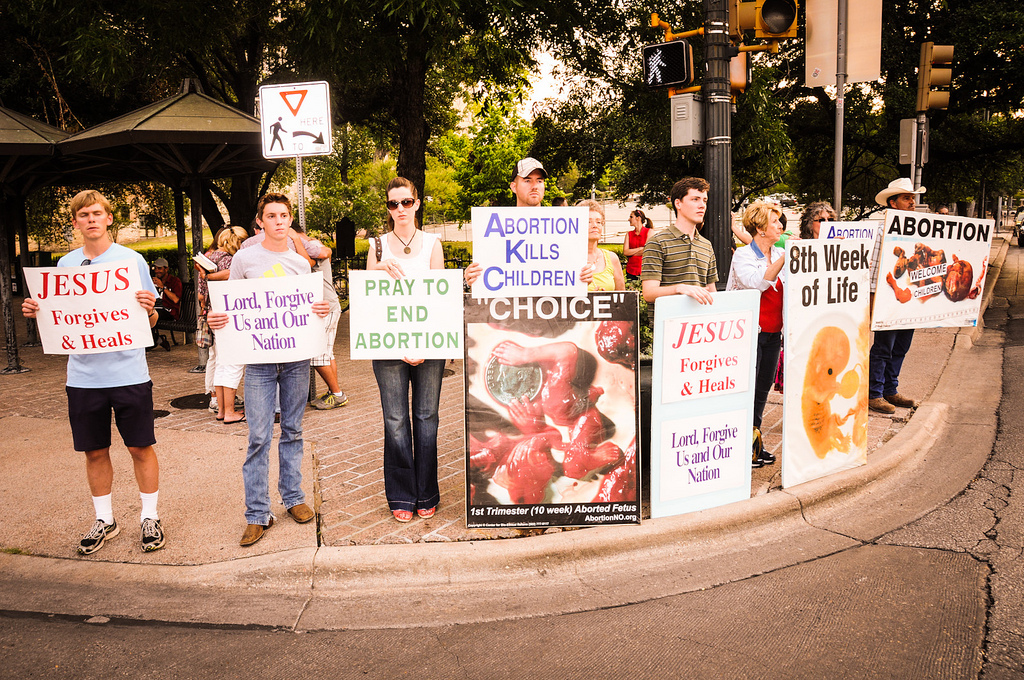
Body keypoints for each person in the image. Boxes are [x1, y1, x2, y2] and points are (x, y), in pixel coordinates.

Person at [22, 190, 166, 555]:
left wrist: (150, 309)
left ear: (108, 219)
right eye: (83, 214)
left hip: (130, 371)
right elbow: (58, 318)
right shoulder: (65, 267)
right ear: (75, 222)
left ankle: (150, 516)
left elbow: (150, 320)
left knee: (140, 446)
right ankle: (105, 519)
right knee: (94, 451)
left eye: (96, 213)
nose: (90, 219)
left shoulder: (132, 262)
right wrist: (36, 311)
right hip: (83, 377)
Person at [207, 192, 330, 546]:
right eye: (271, 216)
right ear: (260, 221)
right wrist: (218, 318)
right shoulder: (245, 259)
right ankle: (257, 513)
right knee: (258, 436)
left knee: (292, 429)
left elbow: (309, 307)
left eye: (284, 215)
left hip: (295, 360)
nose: (278, 221)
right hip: (259, 361)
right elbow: (231, 305)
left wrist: (318, 312)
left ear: (291, 220)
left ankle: (293, 498)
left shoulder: (300, 263)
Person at [366, 177, 446, 522]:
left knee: (427, 419)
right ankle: (401, 494)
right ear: (387, 208)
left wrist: (424, 342)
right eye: (393, 204)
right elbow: (371, 301)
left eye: (406, 202)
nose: (399, 209)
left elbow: (439, 298)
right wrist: (378, 268)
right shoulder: (377, 246)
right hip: (388, 347)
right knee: (395, 420)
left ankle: (426, 492)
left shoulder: (432, 243)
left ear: (416, 204)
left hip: (428, 345)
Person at [725, 201, 786, 468]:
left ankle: (753, 442)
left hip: (773, 335)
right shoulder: (743, 256)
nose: (781, 226)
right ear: (760, 228)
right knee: (746, 390)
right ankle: (737, 447)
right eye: (775, 222)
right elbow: (756, 283)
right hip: (749, 334)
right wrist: (786, 257)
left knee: (762, 391)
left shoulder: (780, 251)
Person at [868, 178, 923, 414]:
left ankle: (891, 389)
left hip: (909, 296)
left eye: (912, 198)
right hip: (886, 297)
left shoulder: (920, 228)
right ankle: (875, 393)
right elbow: (874, 265)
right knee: (884, 347)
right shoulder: (882, 230)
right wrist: (872, 299)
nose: (912, 202)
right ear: (893, 203)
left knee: (901, 345)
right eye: (906, 198)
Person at [641, 177, 718, 324]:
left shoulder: (706, 245)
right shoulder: (657, 242)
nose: (702, 205)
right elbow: (649, 293)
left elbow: (711, 290)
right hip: (669, 329)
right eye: (695, 199)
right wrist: (680, 288)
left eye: (704, 200)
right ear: (678, 203)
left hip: (702, 329)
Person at [199, 226, 247, 423]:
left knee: (221, 363)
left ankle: (220, 409)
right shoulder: (232, 260)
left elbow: (202, 295)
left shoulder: (208, 260)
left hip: (214, 314)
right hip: (231, 316)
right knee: (234, 364)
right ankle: (229, 412)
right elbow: (232, 276)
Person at [299, 231, 349, 411]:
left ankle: (337, 394)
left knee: (317, 355)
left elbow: (306, 263)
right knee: (327, 353)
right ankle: (334, 393)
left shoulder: (312, 246)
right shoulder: (310, 245)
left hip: (325, 307)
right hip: (326, 306)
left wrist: (296, 239)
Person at [579, 199, 625, 291]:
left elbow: (622, 298)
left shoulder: (612, 258)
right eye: (589, 222)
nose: (595, 225)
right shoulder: (568, 258)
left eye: (598, 222)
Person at [150, 257, 181, 351]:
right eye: (155, 268)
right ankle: (157, 339)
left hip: (169, 311)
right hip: (155, 308)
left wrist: (162, 287)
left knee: (150, 315)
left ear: (166, 269)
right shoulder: (153, 281)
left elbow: (176, 300)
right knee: (141, 314)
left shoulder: (174, 281)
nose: (157, 271)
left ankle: (154, 340)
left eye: (159, 268)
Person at [623, 209, 653, 281]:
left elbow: (648, 251)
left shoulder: (649, 232)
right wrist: (640, 248)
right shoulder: (629, 234)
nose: (628, 219)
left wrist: (631, 252)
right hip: (631, 271)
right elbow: (625, 252)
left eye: (631, 217)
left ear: (638, 218)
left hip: (645, 270)